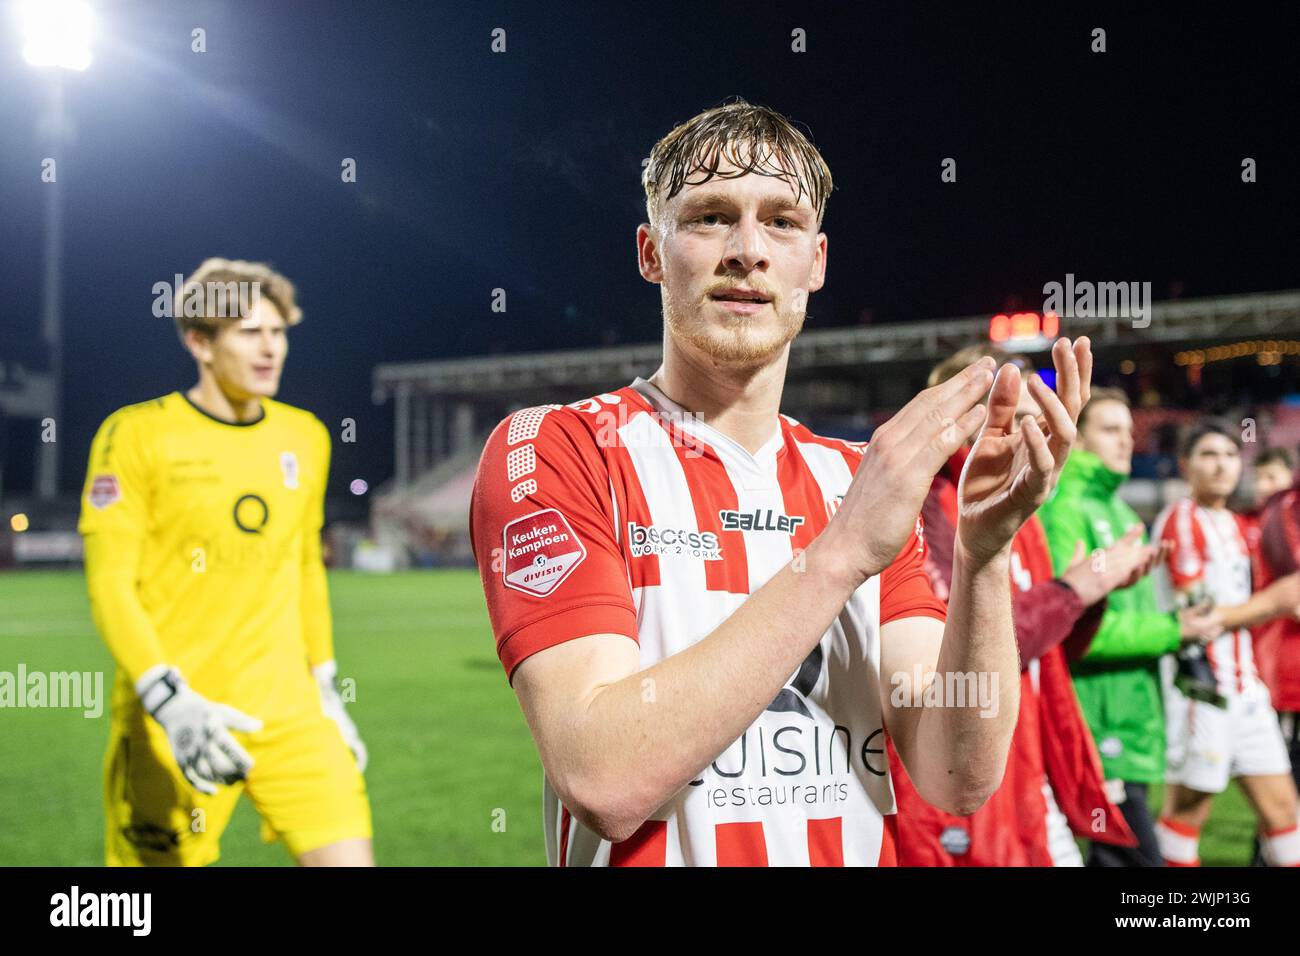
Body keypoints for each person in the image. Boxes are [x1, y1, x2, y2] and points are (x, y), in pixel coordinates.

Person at [469, 99, 1092, 866]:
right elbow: (602, 776)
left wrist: (984, 554)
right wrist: (843, 551)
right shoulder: (561, 448)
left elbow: (955, 772)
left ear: (817, 261)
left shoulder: (856, 478)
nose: (748, 250)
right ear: (651, 253)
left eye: (783, 222)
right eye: (709, 217)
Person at [78, 258, 371, 866]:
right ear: (199, 342)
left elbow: (303, 568)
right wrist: (167, 700)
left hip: (291, 713)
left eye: (279, 332)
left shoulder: (306, 436)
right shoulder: (133, 435)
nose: (270, 350)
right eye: (248, 332)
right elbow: (110, 583)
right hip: (175, 717)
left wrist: (325, 687)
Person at [889, 346, 1155, 866]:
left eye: (1042, 423)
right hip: (964, 782)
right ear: (966, 420)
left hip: (1029, 765)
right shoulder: (924, 507)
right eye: (1019, 420)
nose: (1036, 440)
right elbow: (959, 650)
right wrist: (1072, 591)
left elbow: (1042, 651)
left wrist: (1089, 600)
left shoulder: (1024, 512)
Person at [1038, 388, 1221, 866]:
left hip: (1132, 721)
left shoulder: (1118, 512)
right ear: (1076, 441)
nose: (1125, 441)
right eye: (1110, 430)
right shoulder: (1065, 511)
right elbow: (1073, 628)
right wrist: (1172, 631)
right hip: (1098, 723)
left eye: (1128, 430)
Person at [1151, 420, 1300, 866]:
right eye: (1209, 455)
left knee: (1284, 811)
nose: (1222, 466)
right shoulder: (1181, 521)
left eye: (1231, 455)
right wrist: (1275, 601)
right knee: (1187, 813)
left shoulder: (1237, 525)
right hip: (1203, 690)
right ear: (1185, 465)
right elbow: (1198, 619)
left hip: (1247, 688)